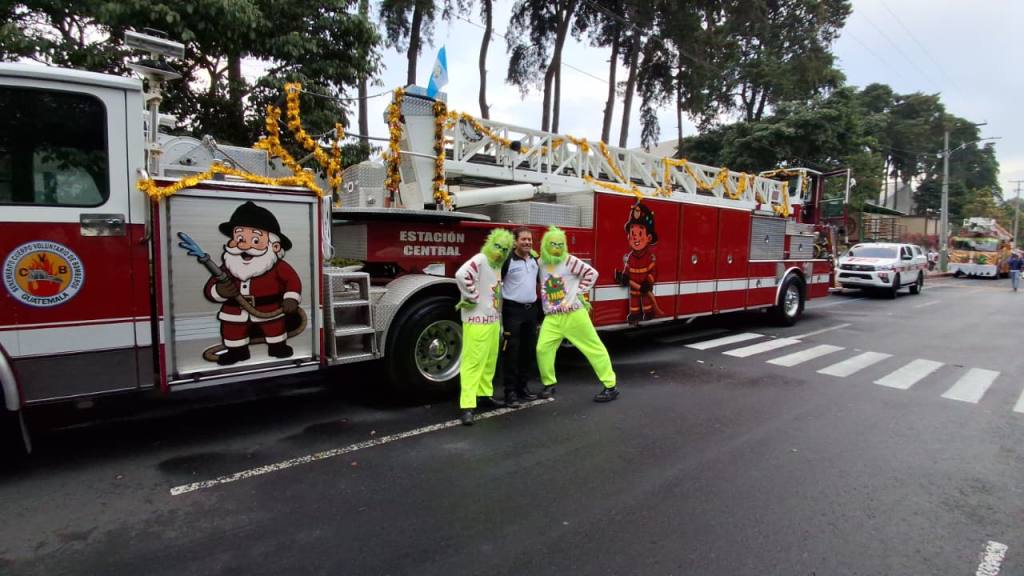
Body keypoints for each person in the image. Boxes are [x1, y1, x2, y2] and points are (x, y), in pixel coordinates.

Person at [204, 201, 302, 365]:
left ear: (275, 246)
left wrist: (291, 298)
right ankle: (237, 352)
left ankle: (277, 347)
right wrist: (219, 291)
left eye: (255, 240)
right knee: (233, 332)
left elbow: (292, 281)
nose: (244, 245)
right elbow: (210, 288)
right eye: (239, 237)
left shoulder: (278, 266)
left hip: (270, 310)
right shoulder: (228, 267)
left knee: (274, 329)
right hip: (234, 312)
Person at [535, 226, 619, 403]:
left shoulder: (569, 260)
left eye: (559, 244)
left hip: (574, 314)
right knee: (542, 349)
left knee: (593, 348)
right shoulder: (541, 261)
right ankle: (549, 383)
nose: (556, 247)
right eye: (552, 244)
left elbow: (592, 273)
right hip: (552, 316)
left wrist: (577, 292)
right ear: (545, 244)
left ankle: (610, 386)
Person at [454, 228, 515, 425]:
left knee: (489, 360)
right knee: (473, 362)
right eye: (497, 246)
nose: (500, 251)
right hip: (477, 321)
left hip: (492, 320)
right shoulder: (481, 258)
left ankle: (484, 395)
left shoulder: (497, 264)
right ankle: (467, 405)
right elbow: (462, 274)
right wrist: (472, 297)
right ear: (490, 243)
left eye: (504, 249)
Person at [500, 227, 541, 406]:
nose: (527, 242)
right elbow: (496, 282)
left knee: (528, 351)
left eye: (530, 240)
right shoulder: (507, 260)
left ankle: (522, 388)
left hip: (531, 311)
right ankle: (510, 393)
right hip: (512, 311)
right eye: (524, 239)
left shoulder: (534, 260)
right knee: (512, 352)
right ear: (515, 241)